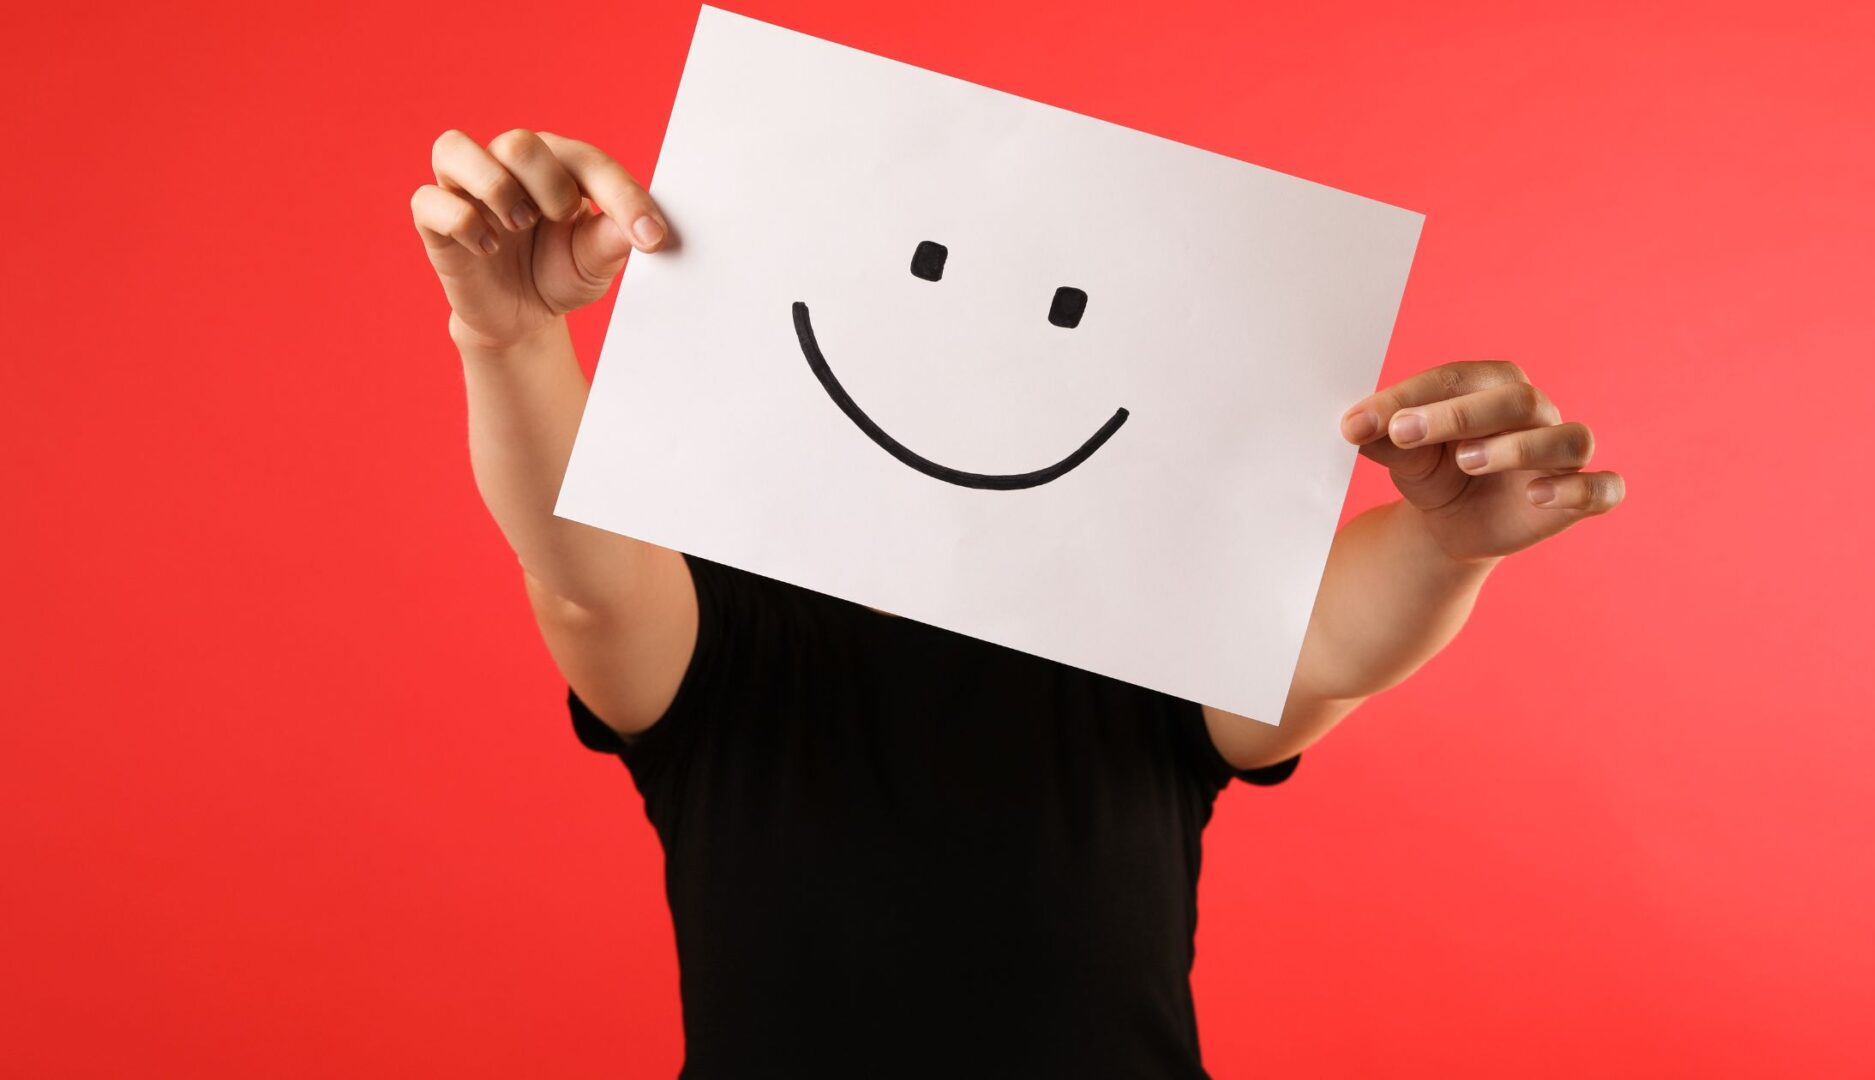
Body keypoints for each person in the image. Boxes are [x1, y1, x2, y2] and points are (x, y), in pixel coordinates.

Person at [411, 129, 1625, 1079]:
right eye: (924, 272)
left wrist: (1448, 544)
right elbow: (583, 582)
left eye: (1064, 312)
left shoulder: (1140, 619)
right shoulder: (724, 630)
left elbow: (1324, 647)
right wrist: (508, 342)